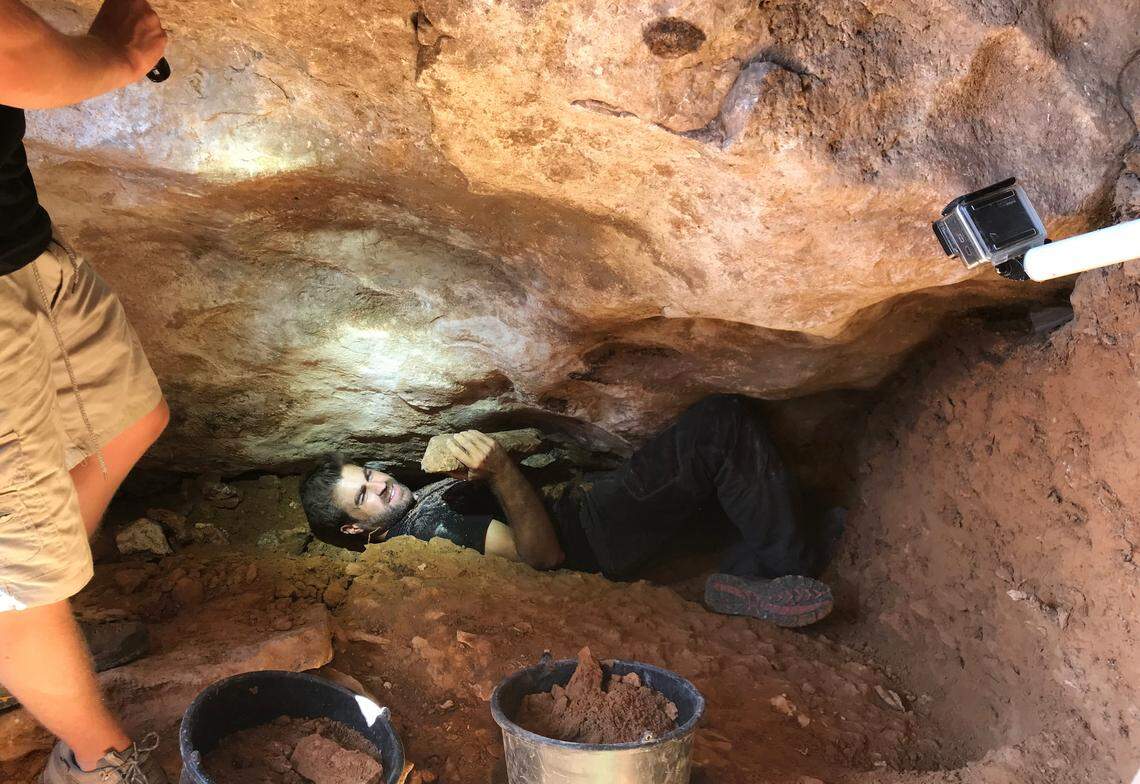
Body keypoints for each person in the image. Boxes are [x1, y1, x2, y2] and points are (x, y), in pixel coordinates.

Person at [0, 1, 172, 782]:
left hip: (23, 254)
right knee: (14, 580)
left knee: (132, 419)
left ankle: (33, 629)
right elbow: (13, 51)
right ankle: (101, 764)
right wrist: (116, 53)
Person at [301, 395, 839, 628]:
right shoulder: (431, 530)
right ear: (353, 527)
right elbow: (542, 558)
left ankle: (744, 566)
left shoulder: (417, 509)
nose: (382, 485)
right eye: (365, 495)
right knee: (718, 427)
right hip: (594, 534)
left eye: (370, 475)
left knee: (718, 496)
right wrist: (503, 471)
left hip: (586, 511)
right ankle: (787, 566)